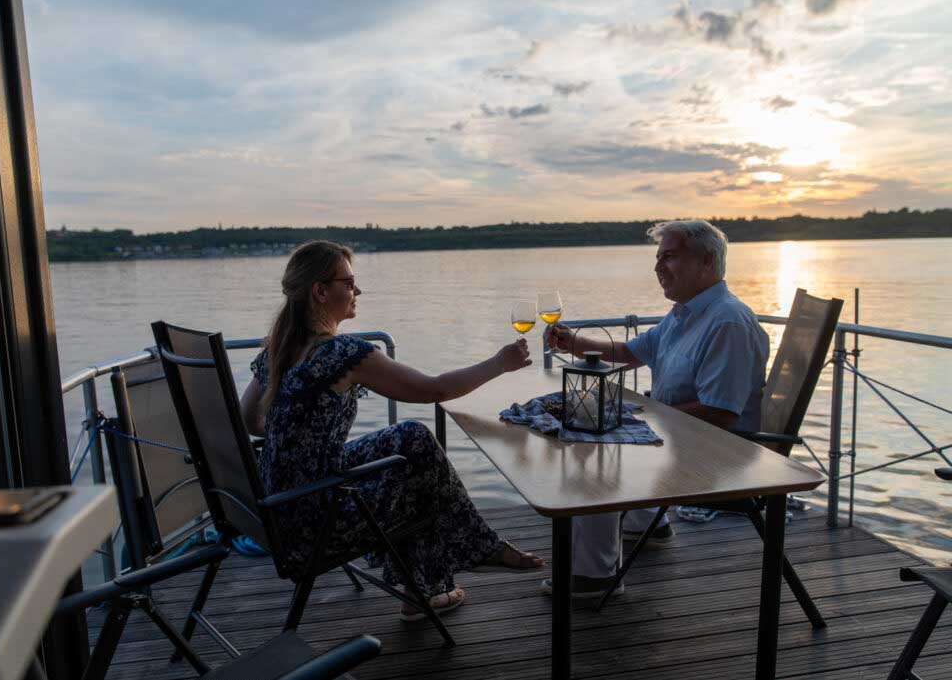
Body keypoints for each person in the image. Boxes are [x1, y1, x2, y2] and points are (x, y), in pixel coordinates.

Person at [239, 240, 544, 621]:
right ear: (320, 291)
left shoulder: (279, 347)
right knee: (418, 482)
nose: (357, 290)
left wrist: (298, 433)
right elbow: (435, 389)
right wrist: (500, 362)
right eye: (348, 283)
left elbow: (250, 421)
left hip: (278, 508)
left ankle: (454, 568)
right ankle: (442, 580)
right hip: (314, 524)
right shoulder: (342, 354)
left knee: (411, 439)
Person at [543, 219, 768, 598]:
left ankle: (595, 574)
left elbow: (721, 414)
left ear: (706, 262)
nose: (658, 267)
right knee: (594, 420)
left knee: (593, 442)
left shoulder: (727, 322)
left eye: (670, 257)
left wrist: (635, 417)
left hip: (719, 453)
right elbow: (631, 353)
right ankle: (647, 523)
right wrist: (573, 342)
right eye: (658, 257)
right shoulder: (685, 314)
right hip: (681, 437)